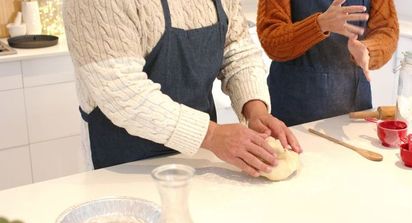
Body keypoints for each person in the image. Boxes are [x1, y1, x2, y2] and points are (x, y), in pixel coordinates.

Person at [63, 0, 302, 177]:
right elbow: (123, 93)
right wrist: (212, 135)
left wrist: (255, 109)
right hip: (125, 165)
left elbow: (237, 50)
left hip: (200, 160)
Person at [257, 0, 399, 126]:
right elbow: (271, 39)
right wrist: (319, 25)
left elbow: (387, 30)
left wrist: (368, 49)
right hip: (294, 110)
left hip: (355, 110)